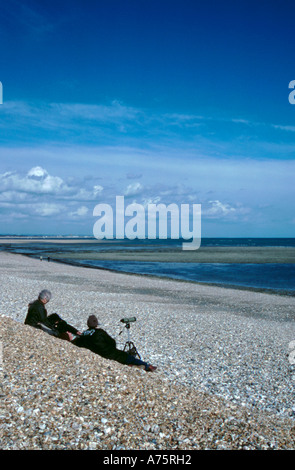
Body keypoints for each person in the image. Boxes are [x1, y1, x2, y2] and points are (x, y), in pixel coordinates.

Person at [73, 315, 157, 372]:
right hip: (107, 353)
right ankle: (146, 366)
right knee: (126, 356)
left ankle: (132, 365)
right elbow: (112, 342)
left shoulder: (84, 333)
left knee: (122, 356)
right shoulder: (100, 332)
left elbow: (79, 344)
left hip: (96, 354)